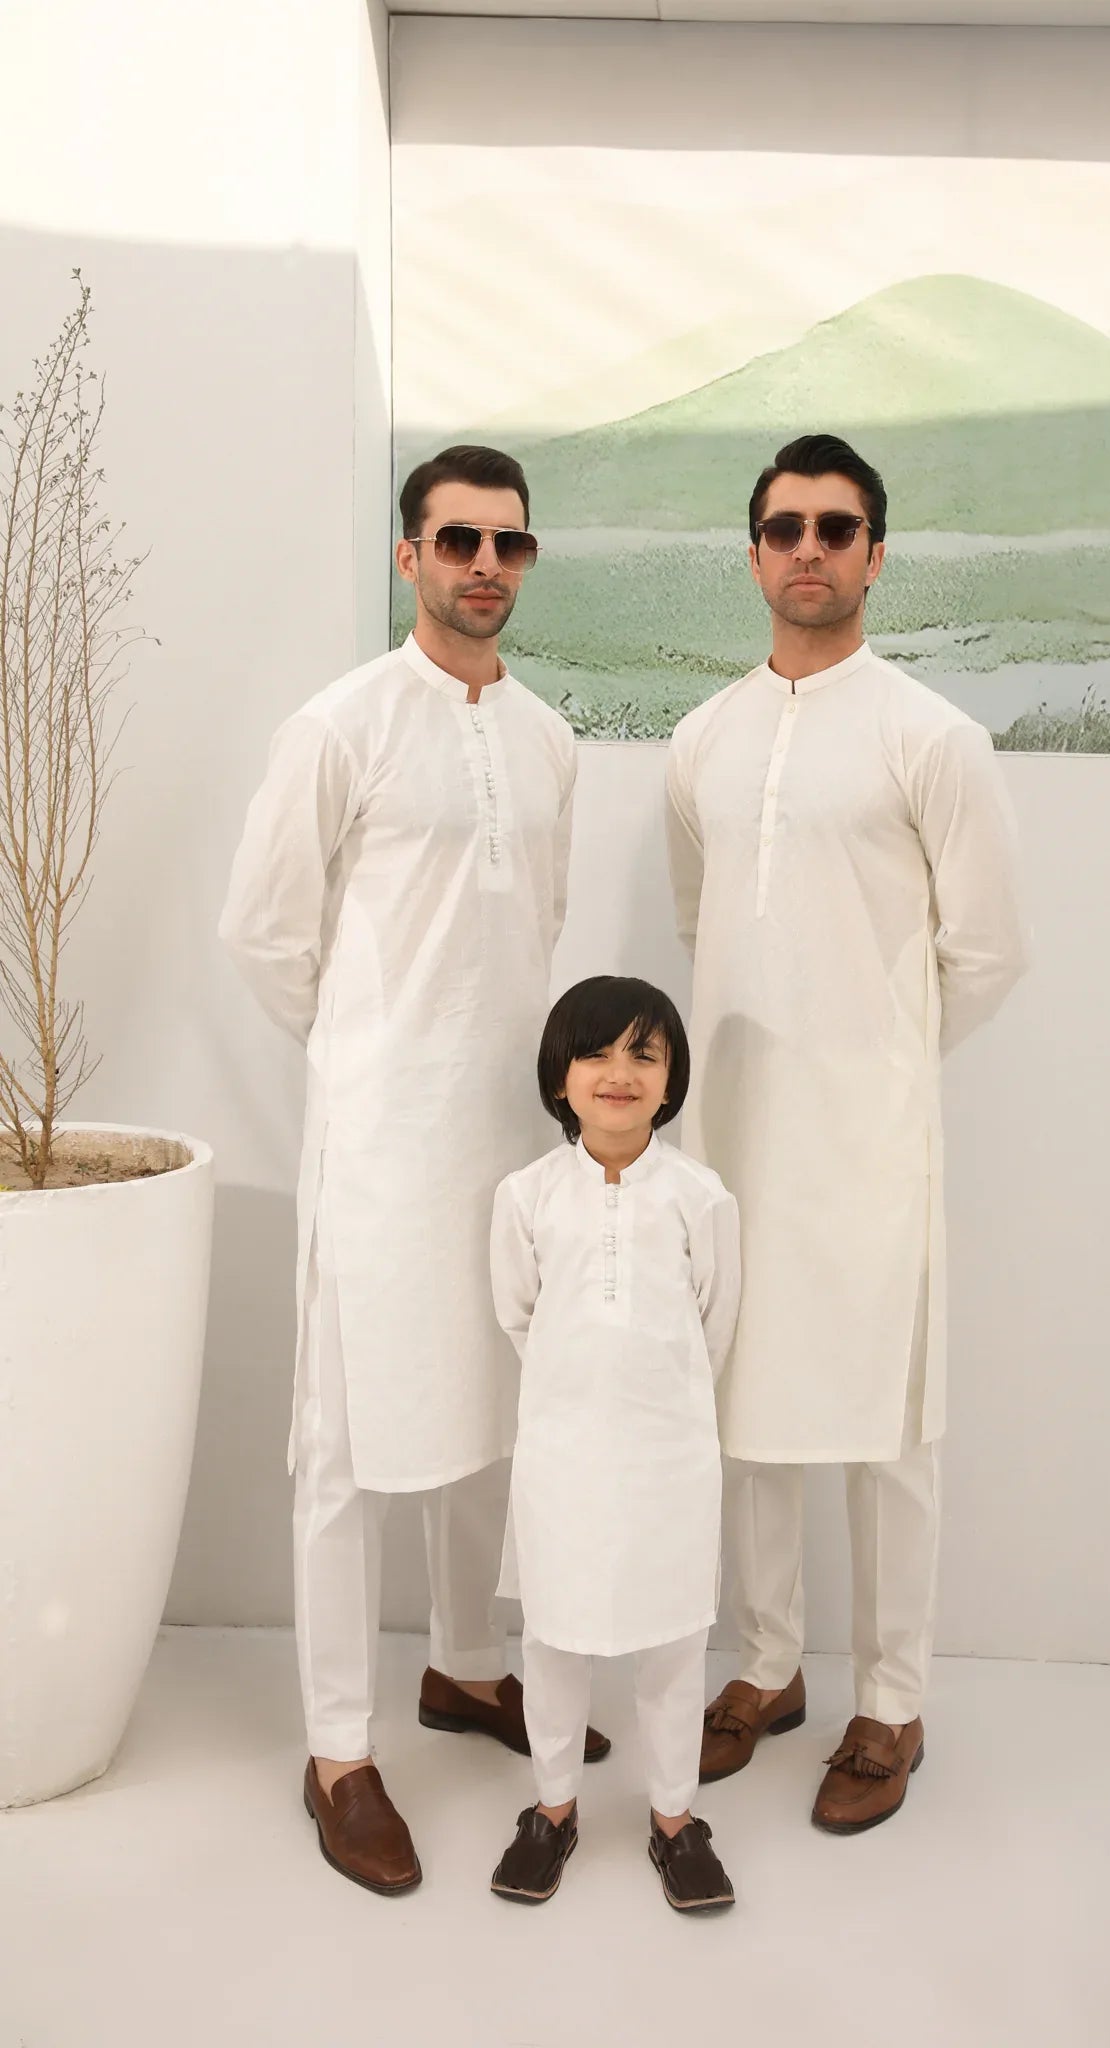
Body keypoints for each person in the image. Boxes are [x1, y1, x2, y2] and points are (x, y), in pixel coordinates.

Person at [219, 445, 606, 1896]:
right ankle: (337, 1748)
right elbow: (264, 932)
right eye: (458, 540)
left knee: (489, 1407)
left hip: (511, 1138)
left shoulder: (552, 742)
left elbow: (542, 923)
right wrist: (367, 1053)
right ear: (410, 558)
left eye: (509, 541)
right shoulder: (339, 727)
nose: (485, 564)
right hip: (381, 1136)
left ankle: (461, 1666)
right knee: (343, 1440)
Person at [665, 433, 1029, 1834]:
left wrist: (878, 1062)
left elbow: (987, 952)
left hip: (874, 1134)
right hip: (735, 1125)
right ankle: (766, 1667)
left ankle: (890, 1696)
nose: (807, 547)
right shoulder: (703, 741)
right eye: (782, 526)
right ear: (751, 552)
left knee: (889, 1422)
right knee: (744, 1402)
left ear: (876, 552)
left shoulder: (930, 736)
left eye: (836, 525)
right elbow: (706, 922)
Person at [487, 976, 741, 1911]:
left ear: (671, 1079)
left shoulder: (699, 1197)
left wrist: (650, 1400)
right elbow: (519, 1316)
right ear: (559, 1078)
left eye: (645, 1052)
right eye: (595, 1052)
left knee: (675, 1644)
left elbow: (713, 1322)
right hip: (561, 1457)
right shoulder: (525, 1196)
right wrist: (580, 1393)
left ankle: (675, 1819)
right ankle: (552, 1811)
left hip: (670, 1457)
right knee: (555, 1640)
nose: (619, 1073)